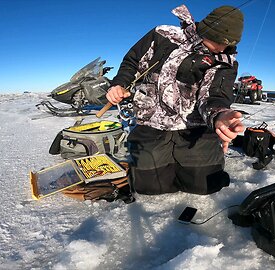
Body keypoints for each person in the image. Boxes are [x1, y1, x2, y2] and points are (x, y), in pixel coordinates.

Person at [105, 5, 245, 195]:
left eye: (227, 44)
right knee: (147, 188)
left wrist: (219, 115)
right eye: (216, 40)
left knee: (206, 186)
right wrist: (120, 84)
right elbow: (132, 62)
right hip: (153, 121)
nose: (220, 47)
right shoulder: (163, 35)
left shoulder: (225, 61)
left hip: (194, 128)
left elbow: (214, 94)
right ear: (205, 29)